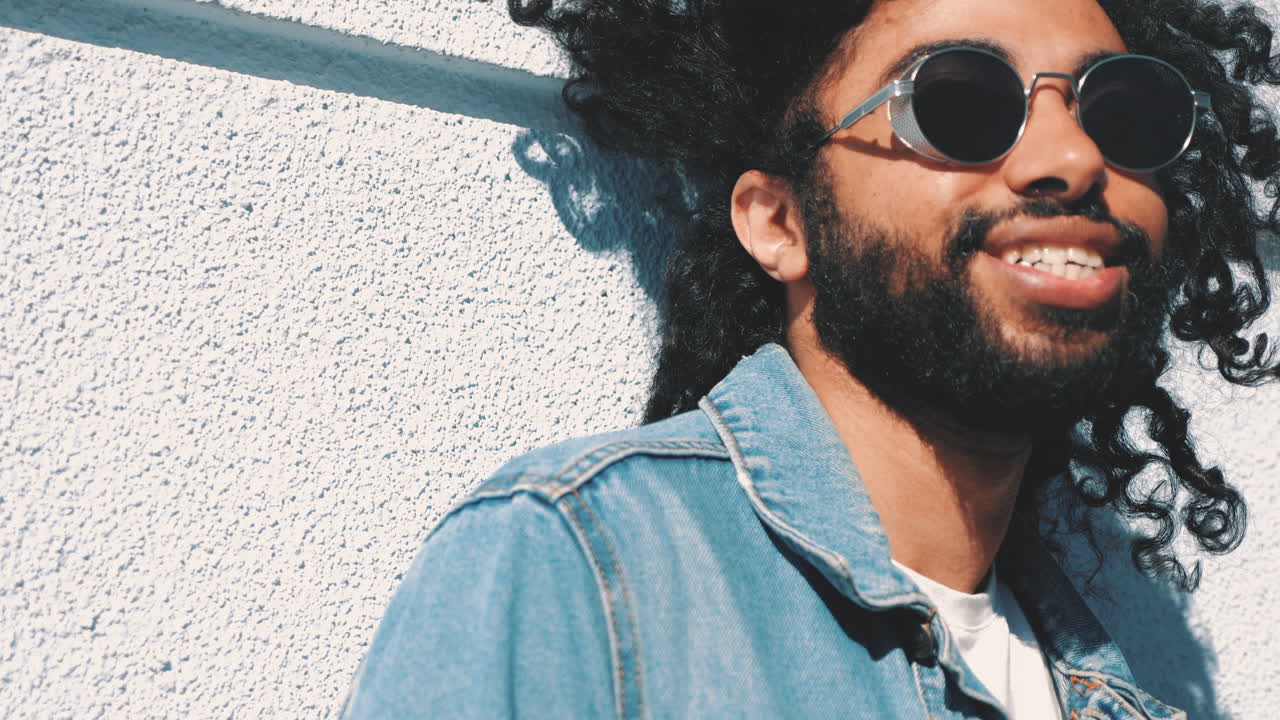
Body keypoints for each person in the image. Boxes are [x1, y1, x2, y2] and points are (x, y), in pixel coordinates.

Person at [343, 0, 1280, 717]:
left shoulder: (1106, 689)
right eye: (958, 101)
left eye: (1125, 112)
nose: (1072, 158)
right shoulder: (581, 568)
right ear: (781, 222)